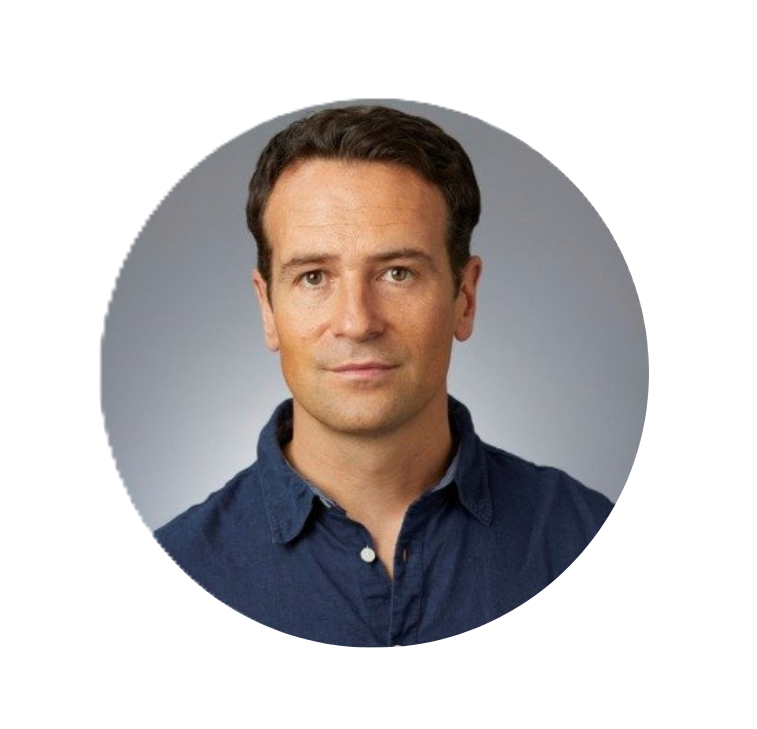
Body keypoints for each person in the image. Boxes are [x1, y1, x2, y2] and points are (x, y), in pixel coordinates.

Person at [153, 105, 613, 646]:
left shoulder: (589, 541)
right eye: (313, 277)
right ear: (267, 308)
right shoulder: (173, 576)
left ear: (464, 298)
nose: (357, 322)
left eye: (398, 273)